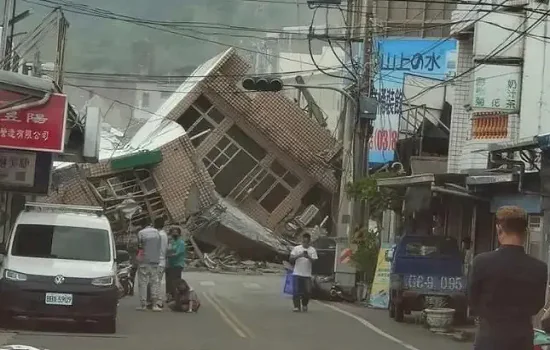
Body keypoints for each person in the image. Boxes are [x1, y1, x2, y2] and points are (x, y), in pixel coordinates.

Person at [468, 206, 547, 350]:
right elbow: (537, 304)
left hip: (489, 338)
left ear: (499, 229)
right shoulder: (539, 268)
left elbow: (472, 300)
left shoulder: (482, 262)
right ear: (525, 232)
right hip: (522, 340)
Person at [136, 217, 164, 311]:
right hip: (155, 261)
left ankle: (143, 305)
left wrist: (138, 259)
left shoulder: (141, 233)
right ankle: (154, 305)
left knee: (142, 283)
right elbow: (158, 247)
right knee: (154, 283)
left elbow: (140, 248)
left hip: (144, 261)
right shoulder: (157, 233)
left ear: (142, 225)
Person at [289, 233, 318, 312]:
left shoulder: (312, 250)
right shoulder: (296, 248)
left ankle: (304, 304)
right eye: (303, 241)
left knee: (308, 291)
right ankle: (296, 306)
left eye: (307, 242)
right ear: (302, 241)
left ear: (309, 242)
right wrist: (300, 255)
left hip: (307, 274)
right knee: (296, 291)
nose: (305, 243)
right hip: (297, 273)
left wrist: (308, 257)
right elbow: (291, 259)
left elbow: (314, 262)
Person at [166, 227, 186, 302]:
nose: (174, 234)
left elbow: (177, 254)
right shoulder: (171, 242)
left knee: (175, 282)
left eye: (176, 232)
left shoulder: (181, 243)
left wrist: (167, 255)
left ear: (179, 234)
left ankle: (176, 297)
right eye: (173, 232)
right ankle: (170, 296)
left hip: (177, 265)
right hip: (170, 264)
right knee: (169, 282)